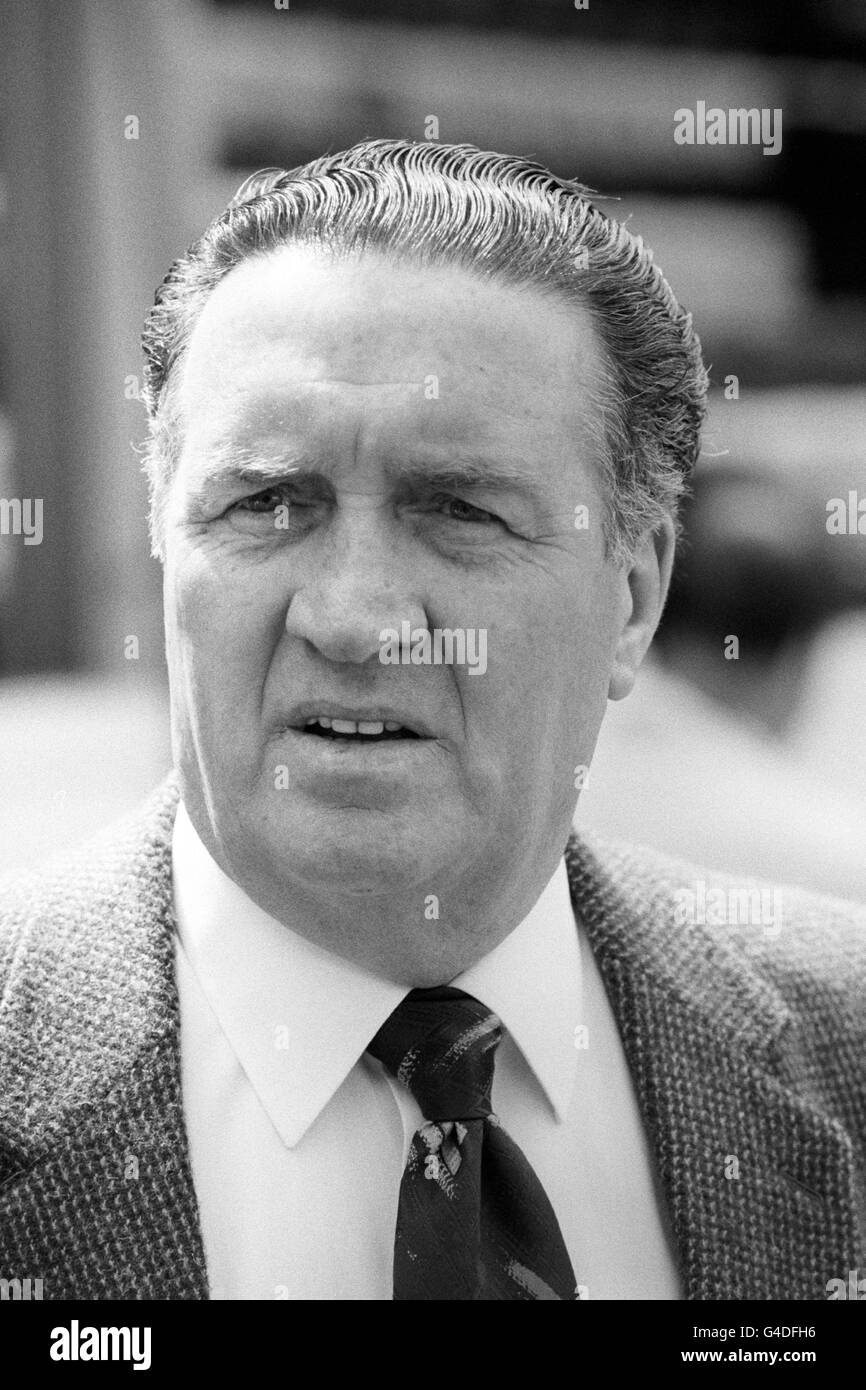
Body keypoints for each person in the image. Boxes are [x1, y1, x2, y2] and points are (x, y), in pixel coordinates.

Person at [1, 140, 863, 1302]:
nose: (354, 619)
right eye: (265, 503)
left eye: (459, 510)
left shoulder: (842, 1041)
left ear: (632, 597)